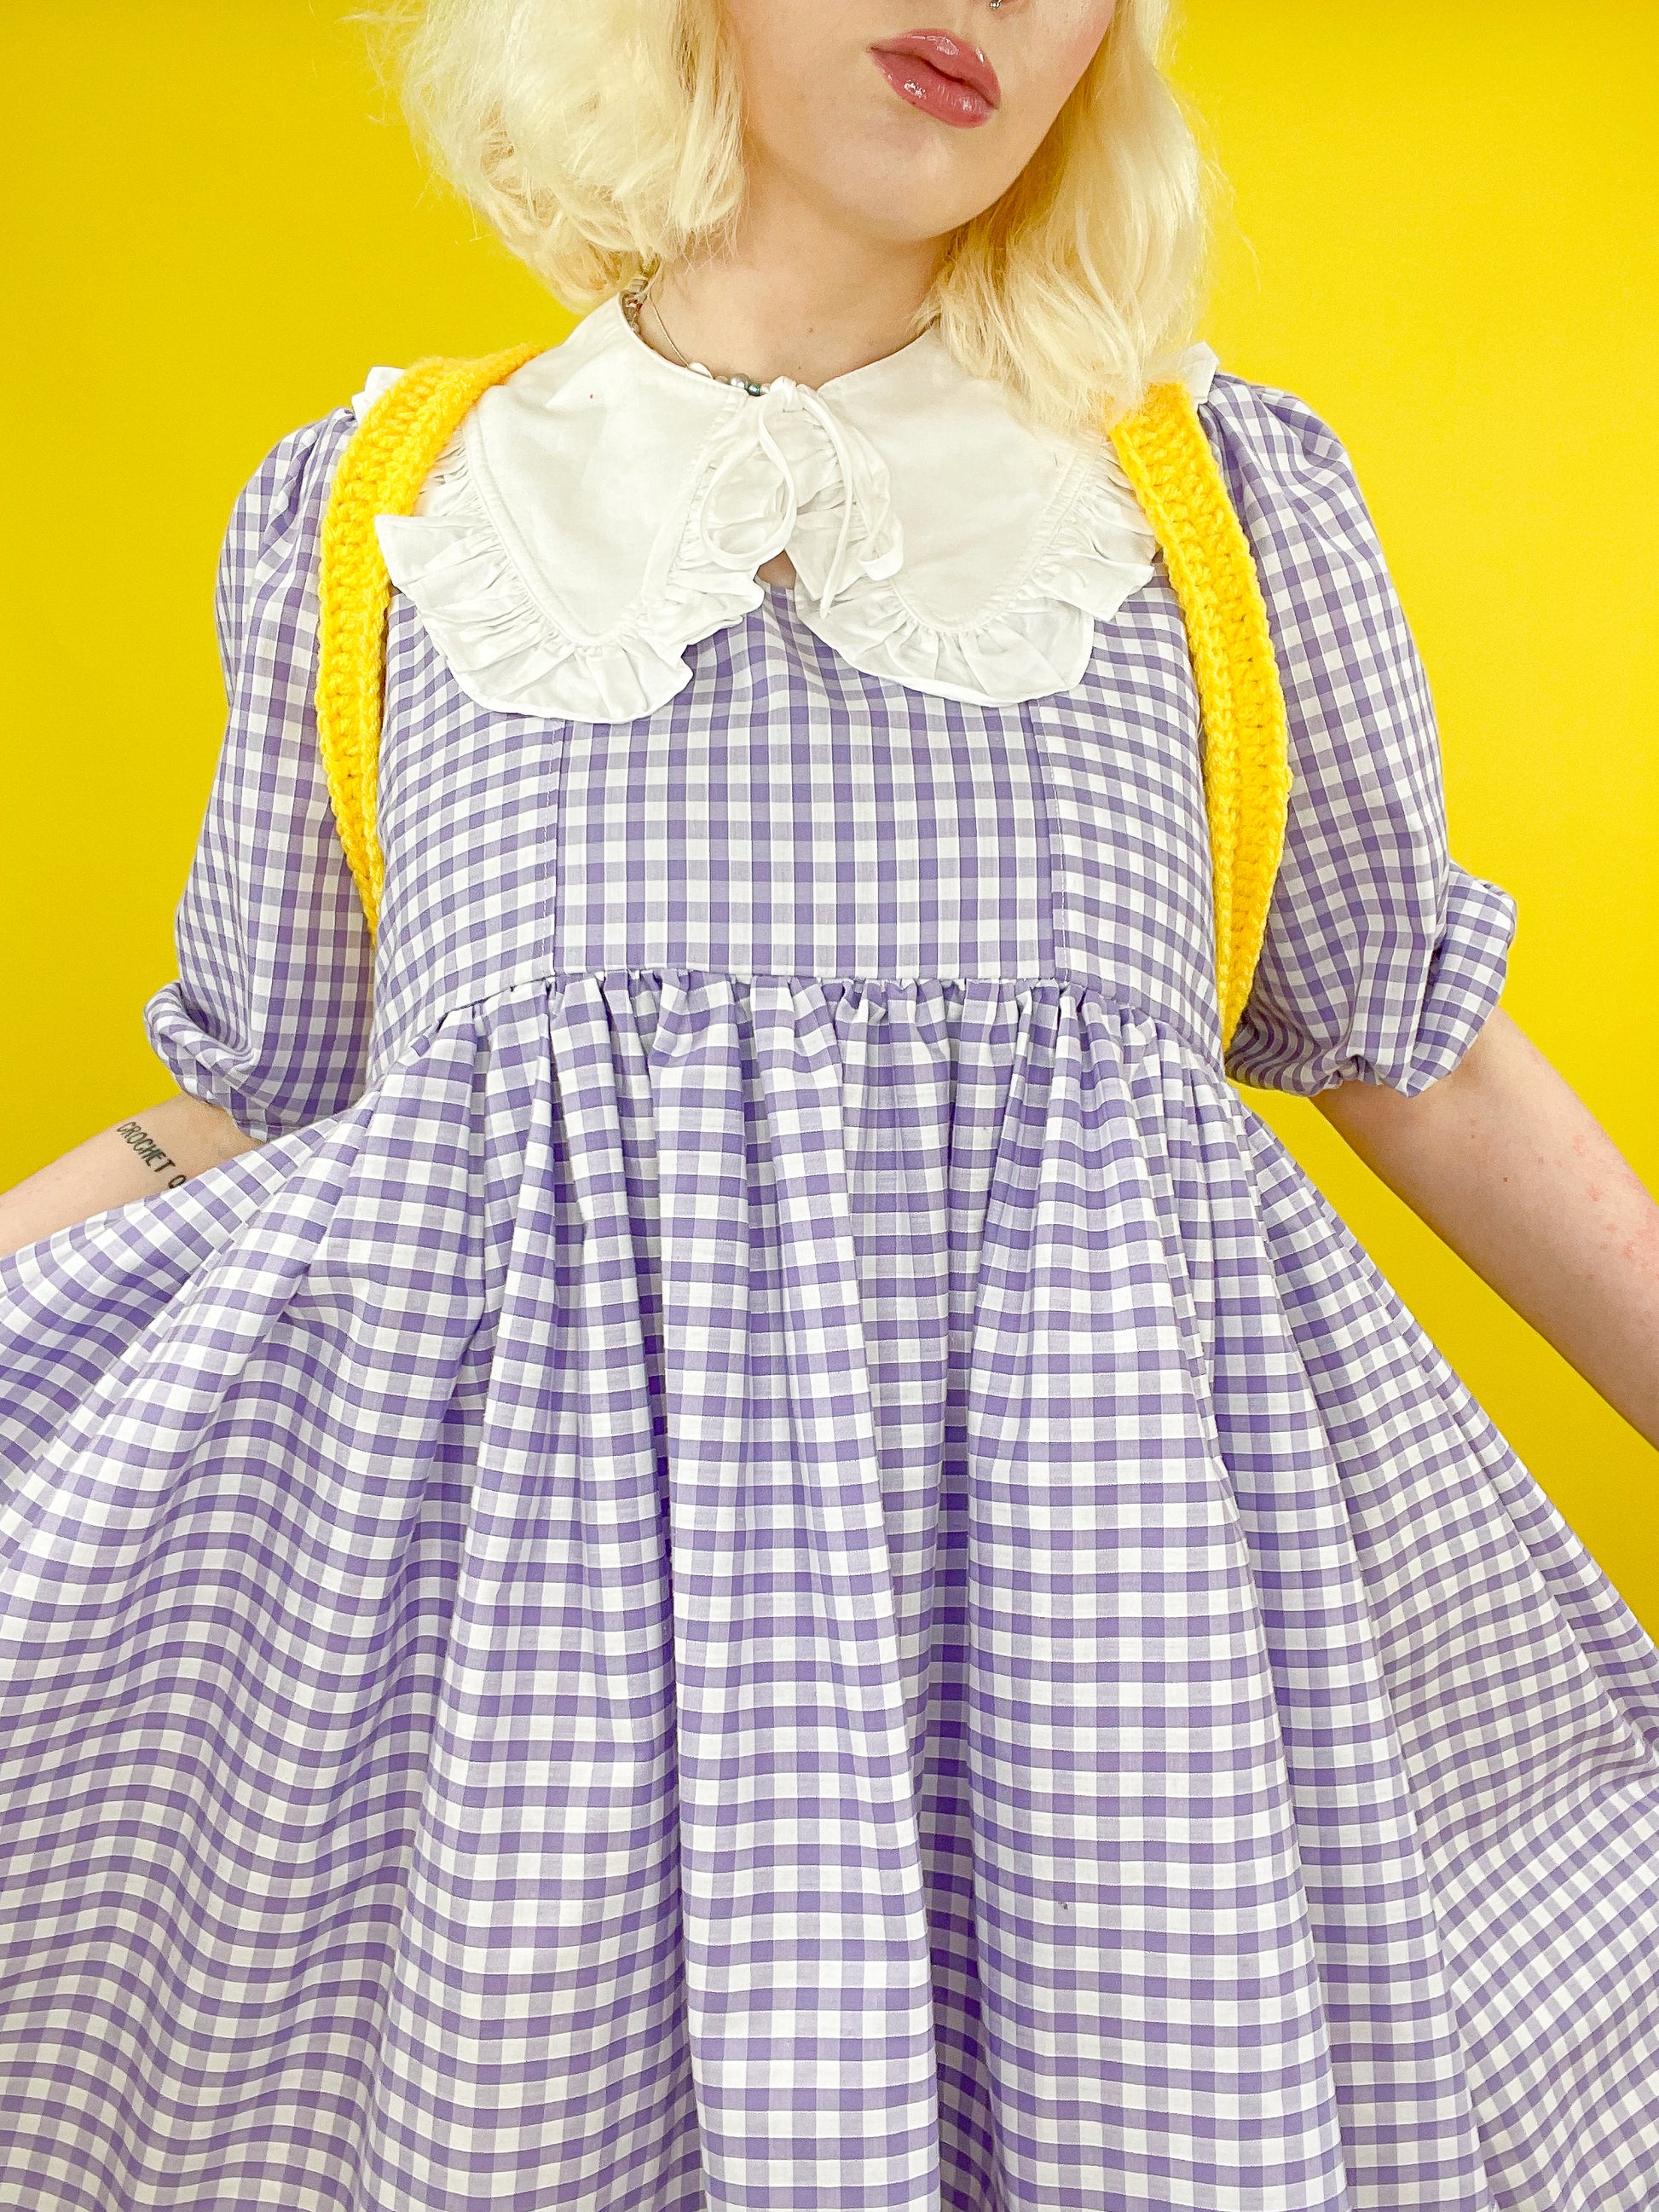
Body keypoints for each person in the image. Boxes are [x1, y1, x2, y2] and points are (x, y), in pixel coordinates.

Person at [2, 2, 1656, 2205]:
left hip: (1101, 1685)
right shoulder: (383, 510)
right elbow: (256, 1101)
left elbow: (1407, 1039)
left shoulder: (1210, 497)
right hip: (546, 1718)